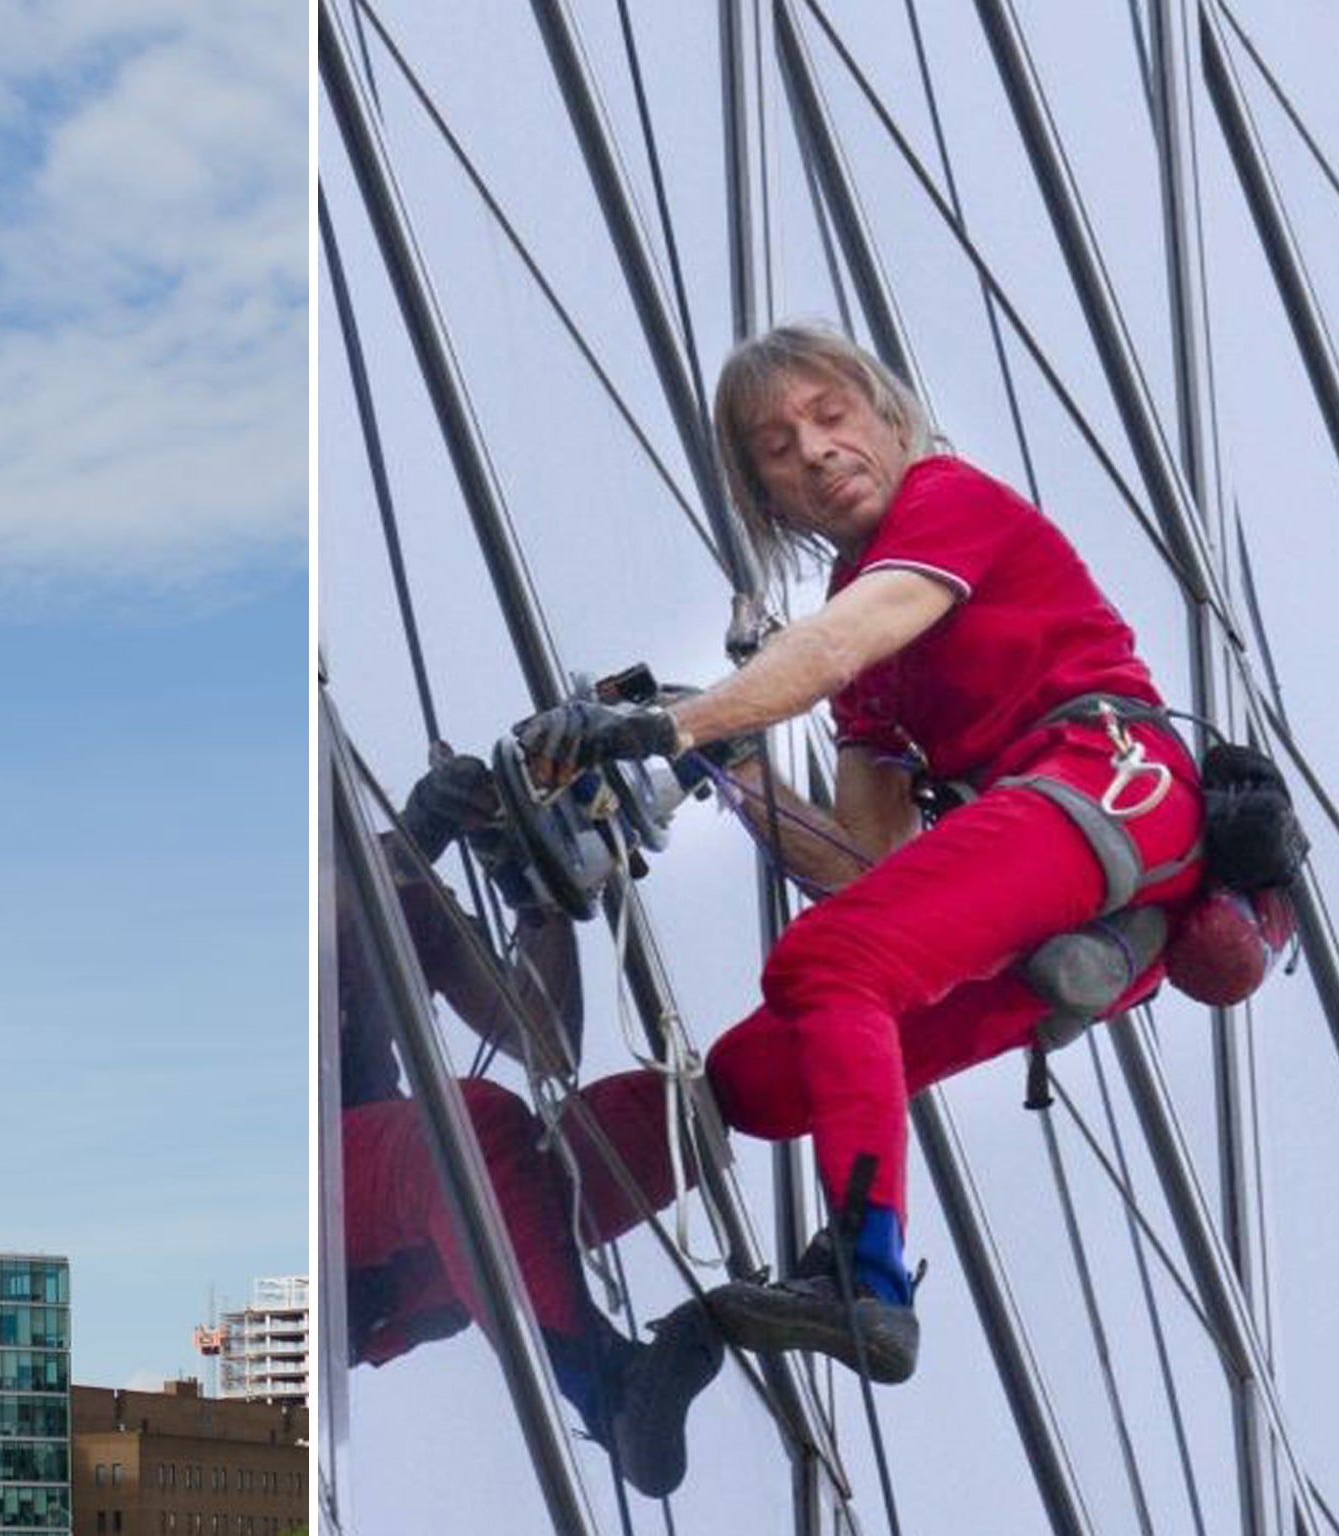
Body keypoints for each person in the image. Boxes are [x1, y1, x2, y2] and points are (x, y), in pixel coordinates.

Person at [516, 324, 1207, 1384]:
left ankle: (864, 1276)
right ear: (769, 500)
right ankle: (612, 1347)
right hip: (1072, 893)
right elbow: (869, 874)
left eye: (830, 417)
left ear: (888, 420)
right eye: (776, 449)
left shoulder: (948, 503)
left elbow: (839, 638)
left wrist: (676, 725)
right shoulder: (863, 665)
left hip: (1106, 779)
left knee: (826, 964)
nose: (814, 451)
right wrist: (732, 771)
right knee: (760, 1077)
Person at [339, 752, 721, 1499]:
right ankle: (606, 1388)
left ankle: (810, 1135)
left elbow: (542, 1037)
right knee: (464, 1136)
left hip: (389, 1236)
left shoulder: (396, 881)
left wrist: (535, 888)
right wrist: (419, 835)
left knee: (653, 1119)